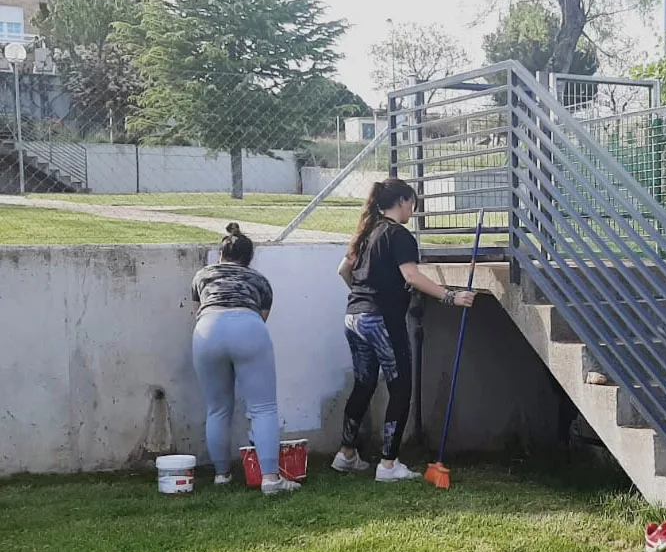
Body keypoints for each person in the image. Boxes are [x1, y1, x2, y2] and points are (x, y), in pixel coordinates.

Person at [334, 178, 476, 482]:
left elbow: (343, 270)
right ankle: (388, 465)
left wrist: (364, 296)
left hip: (354, 317)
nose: (413, 209)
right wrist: (450, 296)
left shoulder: (366, 232)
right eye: (412, 203)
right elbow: (411, 276)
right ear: (402, 201)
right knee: (400, 388)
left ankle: (346, 454)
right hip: (382, 321)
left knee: (364, 384)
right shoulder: (398, 235)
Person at [190, 223, 300, 495]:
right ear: (250, 258)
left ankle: (221, 475)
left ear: (221, 255)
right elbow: (262, 317)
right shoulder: (259, 280)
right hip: (248, 328)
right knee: (263, 408)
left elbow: (197, 310)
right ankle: (271, 479)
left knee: (217, 408)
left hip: (207, 330)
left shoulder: (202, 275)